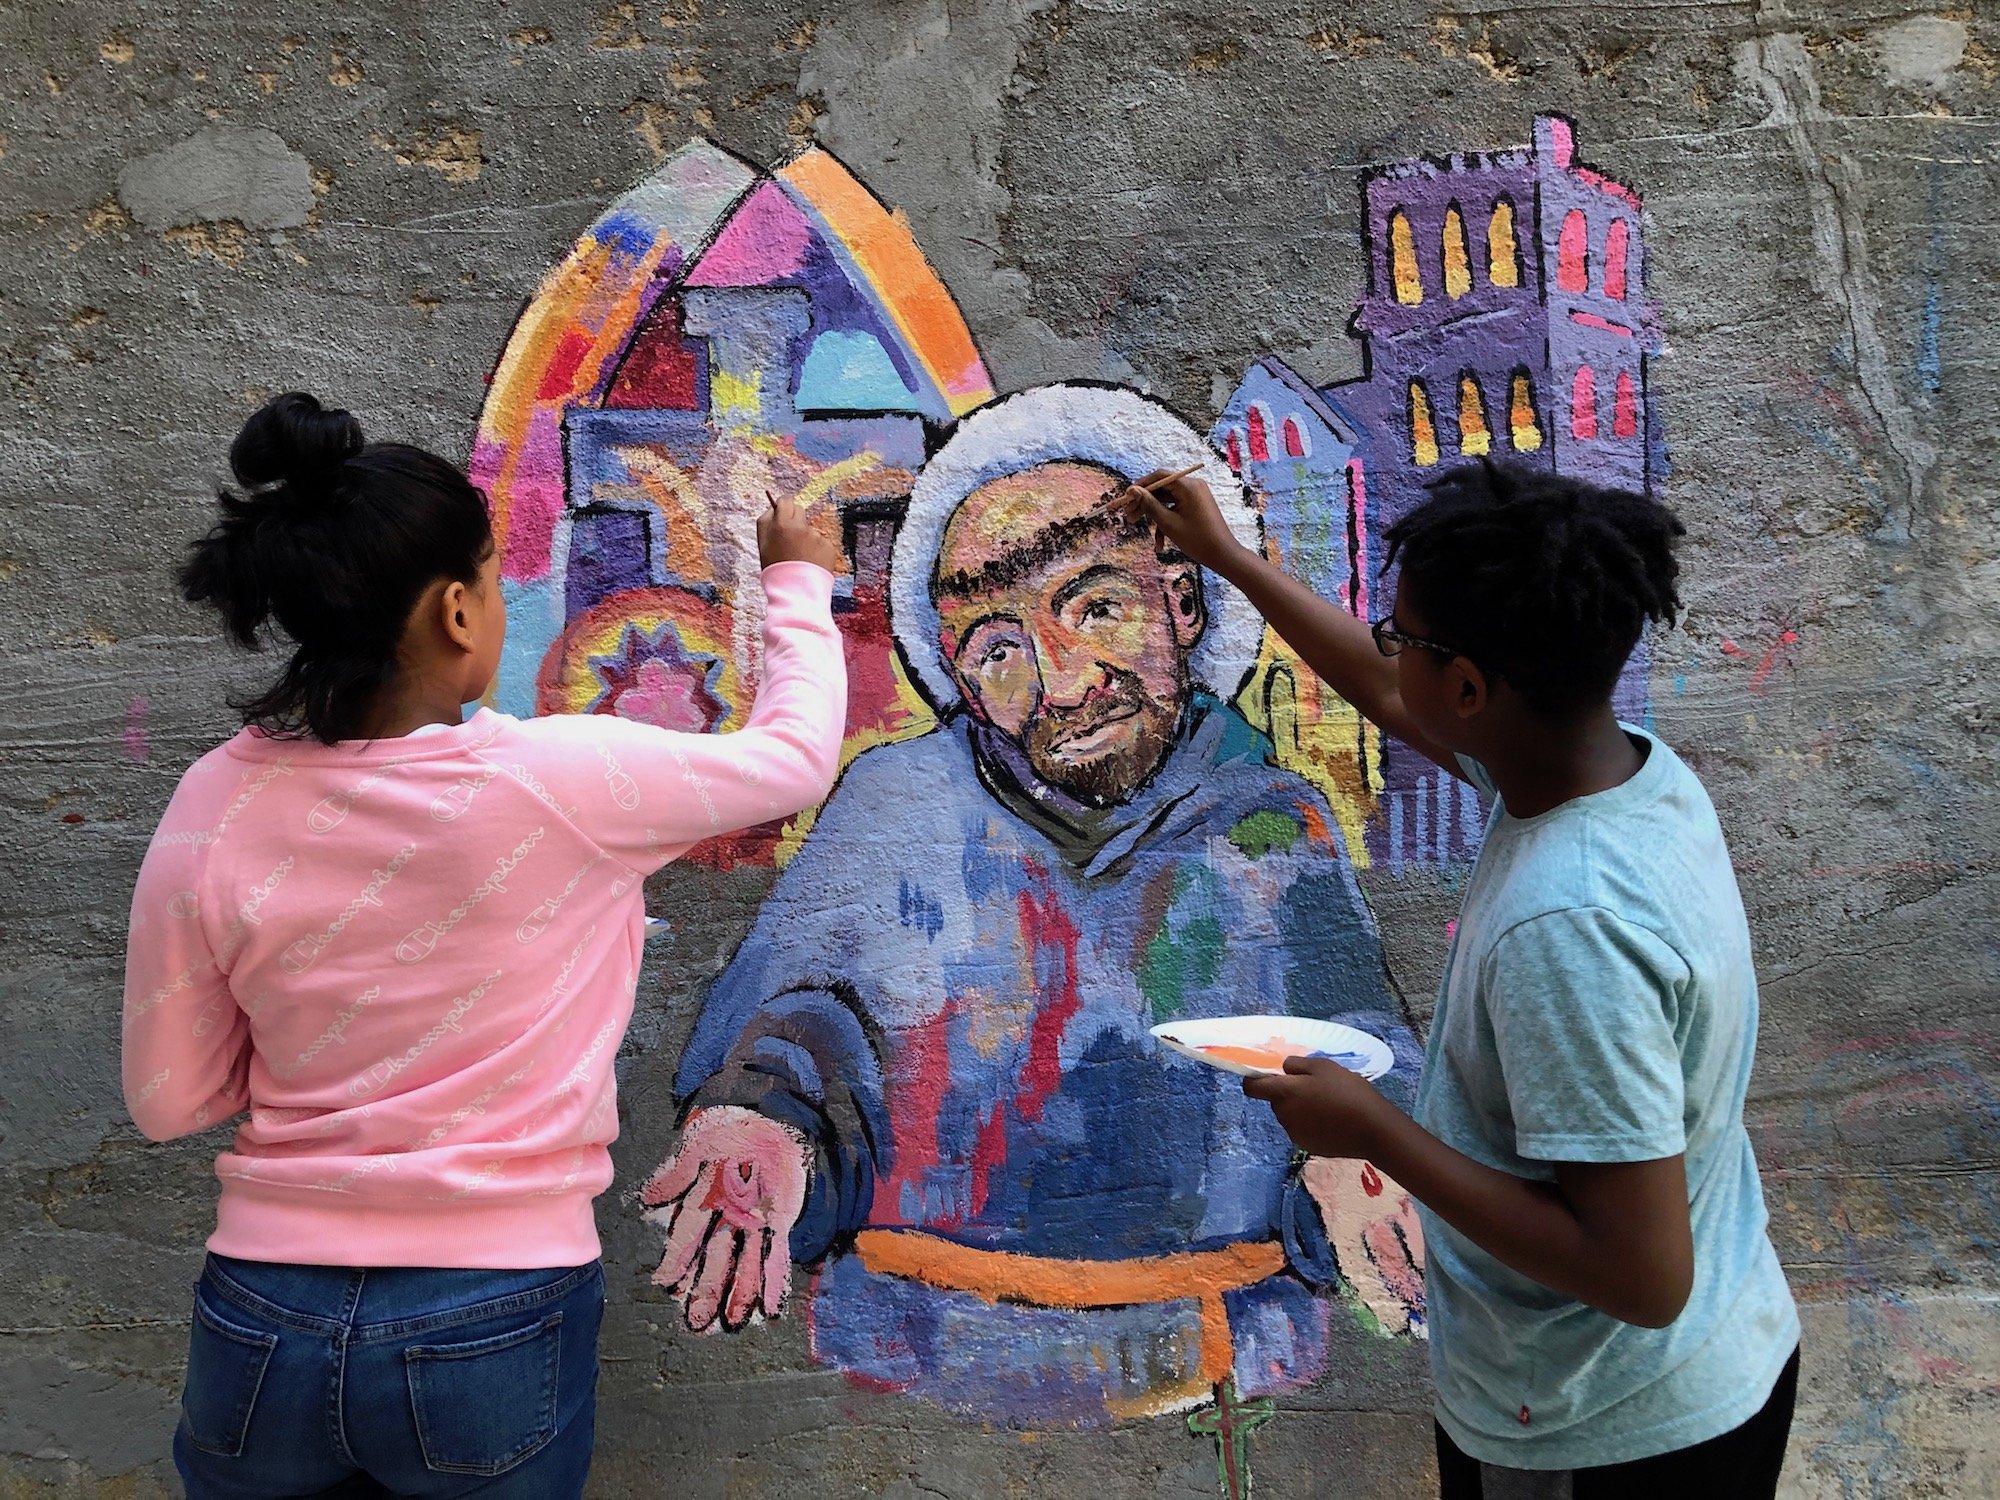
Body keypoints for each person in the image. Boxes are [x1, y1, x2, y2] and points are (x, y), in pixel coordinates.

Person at [642, 384, 1427, 1428]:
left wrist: (1362, 1150)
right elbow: (799, 1026)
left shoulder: (1269, 818)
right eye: (997, 651)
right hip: (905, 1378)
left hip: (1221, 1380)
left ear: (1181, 604)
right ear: (956, 679)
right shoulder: (888, 807)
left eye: (1095, 609)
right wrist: (765, 1120)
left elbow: (1358, 1049)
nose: (1060, 686)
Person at [122, 392, 846, 1498]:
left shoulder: (214, 799)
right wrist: (796, 580)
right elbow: (791, 762)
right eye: (499, 582)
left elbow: (168, 1100)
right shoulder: (556, 783)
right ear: (457, 613)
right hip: (488, 1305)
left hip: (262, 1314)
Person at [1112, 458, 1800, 1495]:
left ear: (1471, 689)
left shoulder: (1564, 932)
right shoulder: (1615, 770)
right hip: (1707, 1361)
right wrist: (1227, 562)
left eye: (1402, 635)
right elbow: (1394, 692)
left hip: (1606, 1430)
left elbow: (1641, 1277)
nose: (1389, 654)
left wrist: (1375, 1131)